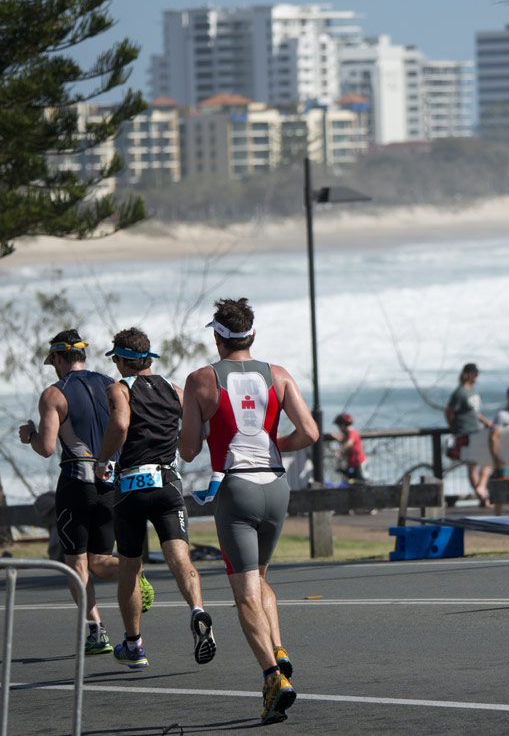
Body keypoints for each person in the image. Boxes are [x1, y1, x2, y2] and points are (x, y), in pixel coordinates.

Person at [179, 298, 319, 725]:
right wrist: (276, 446)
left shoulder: (200, 380)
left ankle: (273, 676)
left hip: (236, 487)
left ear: (218, 337)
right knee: (259, 579)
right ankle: (276, 647)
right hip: (276, 485)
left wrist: (203, 428)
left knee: (244, 593)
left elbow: (186, 451)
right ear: (252, 335)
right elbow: (310, 432)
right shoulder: (278, 375)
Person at [17, 329, 150, 655]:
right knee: (101, 559)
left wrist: (30, 434)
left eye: (54, 362)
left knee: (76, 561)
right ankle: (132, 568)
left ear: (59, 358)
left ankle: (95, 632)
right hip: (111, 481)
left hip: (76, 483)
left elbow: (47, 447)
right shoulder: (111, 383)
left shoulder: (54, 393)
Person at [92, 327, 216, 670]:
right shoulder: (174, 390)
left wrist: (103, 461)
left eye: (116, 359)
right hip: (168, 482)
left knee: (130, 568)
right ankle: (196, 609)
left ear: (121, 360)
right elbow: (199, 428)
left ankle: (134, 645)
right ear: (148, 358)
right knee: (180, 557)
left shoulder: (118, 388)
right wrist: (174, 445)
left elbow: (119, 423)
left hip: (131, 485)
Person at [445, 362, 493, 506]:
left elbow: (475, 412)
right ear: (468, 374)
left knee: (486, 460)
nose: (477, 376)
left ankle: (481, 489)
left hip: (475, 430)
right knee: (473, 464)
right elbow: (449, 411)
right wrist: (453, 427)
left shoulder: (472, 390)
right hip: (464, 432)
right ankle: (482, 496)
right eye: (475, 373)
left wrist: (485, 422)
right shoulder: (459, 392)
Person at [330, 413, 367, 483]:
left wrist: (338, 451)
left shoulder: (352, 432)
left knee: (361, 481)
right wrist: (336, 437)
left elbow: (349, 443)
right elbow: (344, 440)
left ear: (343, 425)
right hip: (352, 463)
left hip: (358, 462)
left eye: (339, 426)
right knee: (351, 481)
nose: (339, 429)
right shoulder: (348, 435)